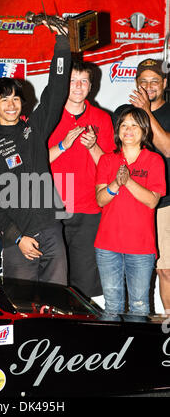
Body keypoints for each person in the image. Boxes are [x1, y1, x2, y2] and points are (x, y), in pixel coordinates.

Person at [0, 22, 71, 286]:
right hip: (17, 240)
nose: (11, 104)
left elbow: (56, 90)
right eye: (4, 100)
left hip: (51, 228)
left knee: (57, 304)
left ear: (22, 102)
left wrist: (62, 45)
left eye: (16, 98)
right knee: (21, 308)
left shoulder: (35, 128)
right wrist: (19, 237)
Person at [48, 60, 115, 297]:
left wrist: (93, 147)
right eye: (72, 80)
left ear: (91, 86)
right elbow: (35, 161)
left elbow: (110, 168)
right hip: (53, 207)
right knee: (53, 278)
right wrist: (63, 146)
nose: (77, 86)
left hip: (90, 208)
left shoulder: (103, 119)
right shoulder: (48, 115)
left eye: (83, 81)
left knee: (86, 280)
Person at [95, 107, 166, 316]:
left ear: (144, 131)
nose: (128, 129)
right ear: (118, 131)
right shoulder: (107, 160)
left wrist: (129, 181)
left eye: (134, 125)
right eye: (124, 125)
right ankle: (111, 349)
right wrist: (116, 183)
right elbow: (100, 199)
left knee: (139, 306)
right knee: (112, 307)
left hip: (141, 247)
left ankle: (136, 349)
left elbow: (152, 201)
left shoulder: (154, 160)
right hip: (107, 246)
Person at [113, 59, 170, 313]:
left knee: (166, 270)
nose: (148, 86)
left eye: (154, 81)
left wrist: (146, 111)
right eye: (143, 81)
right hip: (127, 205)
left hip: (164, 205)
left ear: (165, 83)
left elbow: (167, 148)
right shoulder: (123, 113)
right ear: (136, 84)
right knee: (132, 269)